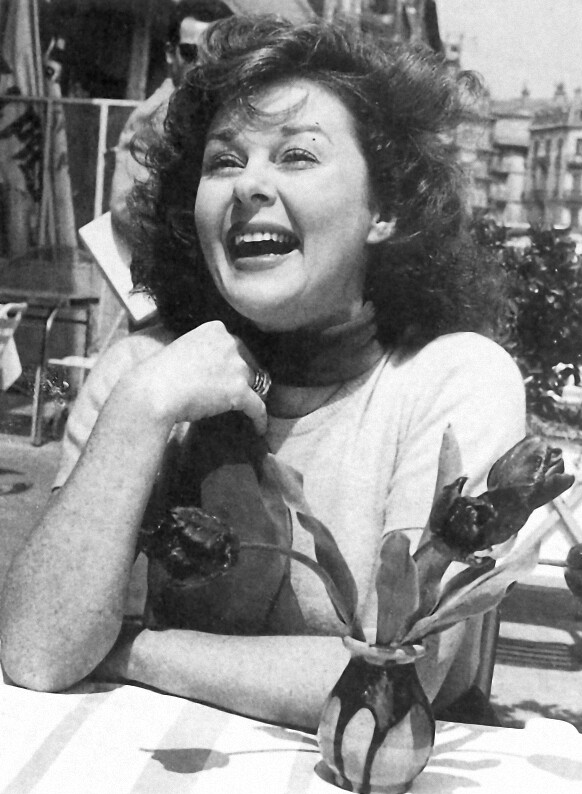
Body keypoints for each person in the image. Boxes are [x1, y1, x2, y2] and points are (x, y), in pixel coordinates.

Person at [0, 16, 526, 731]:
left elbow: (393, 677)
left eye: (297, 155)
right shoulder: (146, 374)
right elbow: (39, 651)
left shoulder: (452, 380)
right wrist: (142, 408)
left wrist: (129, 651)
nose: (249, 183)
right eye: (223, 161)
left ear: (386, 208)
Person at [109, 0, 232, 245]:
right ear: (169, 53)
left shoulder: (219, 107)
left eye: (215, 52)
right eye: (190, 53)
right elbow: (127, 209)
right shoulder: (155, 118)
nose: (202, 63)